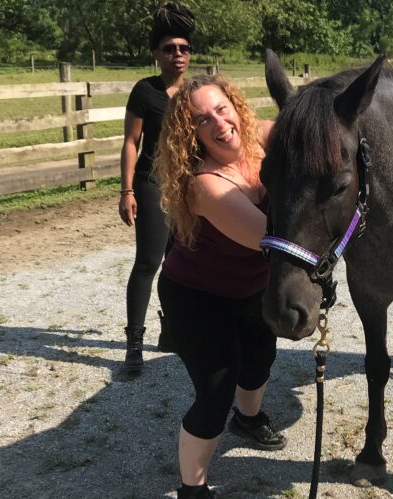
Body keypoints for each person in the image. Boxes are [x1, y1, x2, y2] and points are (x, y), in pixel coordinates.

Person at [153, 73, 285, 499]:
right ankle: (192, 489)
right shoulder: (205, 185)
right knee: (215, 391)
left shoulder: (263, 136)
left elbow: (319, 132)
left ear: (235, 106)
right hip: (197, 296)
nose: (219, 123)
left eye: (221, 109)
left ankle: (247, 420)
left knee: (260, 359)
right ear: (190, 133)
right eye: (202, 119)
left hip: (252, 286)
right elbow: (270, 239)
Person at [118, 3, 194, 376]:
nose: (177, 54)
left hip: (189, 189)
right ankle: (134, 343)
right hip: (152, 185)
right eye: (169, 48)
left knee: (184, 264)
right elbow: (131, 142)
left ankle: (175, 330)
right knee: (149, 262)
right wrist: (126, 191)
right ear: (156, 54)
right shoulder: (145, 91)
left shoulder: (197, 92)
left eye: (183, 48)